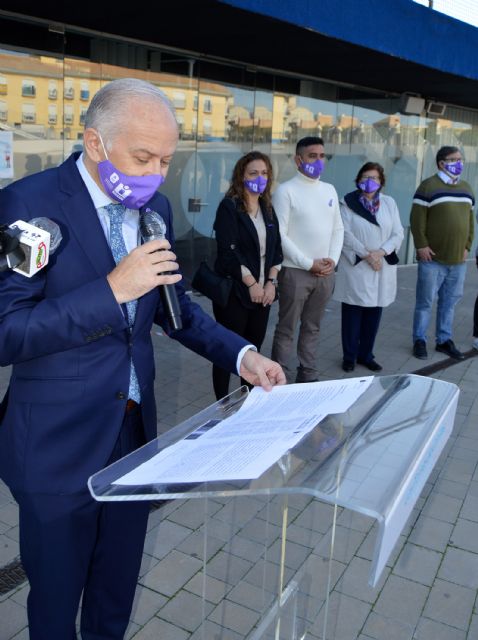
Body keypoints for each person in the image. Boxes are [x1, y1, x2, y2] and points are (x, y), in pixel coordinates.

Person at [0, 78, 285, 640]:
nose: (155, 172)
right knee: (55, 607)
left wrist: (244, 355)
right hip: (55, 448)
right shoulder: (29, 207)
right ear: (95, 142)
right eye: (143, 156)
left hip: (134, 440)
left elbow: (173, 306)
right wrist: (110, 290)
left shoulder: (153, 205)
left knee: (115, 594)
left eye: (166, 159)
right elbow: (7, 331)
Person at [271, 136, 344, 383]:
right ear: (298, 159)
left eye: (322, 156)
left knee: (313, 327)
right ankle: (280, 376)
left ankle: (308, 374)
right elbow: (279, 235)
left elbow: (338, 229)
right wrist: (307, 263)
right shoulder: (286, 190)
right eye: (313, 156)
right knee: (287, 329)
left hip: (325, 272)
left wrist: (332, 260)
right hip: (296, 272)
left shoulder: (330, 189)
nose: (319, 160)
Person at [211, 151, 283, 399]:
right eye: (253, 173)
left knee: (254, 350)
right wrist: (252, 283)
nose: (259, 178)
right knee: (227, 351)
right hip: (236, 293)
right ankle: (221, 403)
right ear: (241, 176)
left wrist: (271, 283)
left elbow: (277, 251)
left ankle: (248, 402)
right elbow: (228, 252)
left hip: (263, 294)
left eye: (264, 173)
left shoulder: (268, 208)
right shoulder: (229, 207)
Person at [333, 162, 404, 372]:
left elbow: (398, 232)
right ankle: (349, 356)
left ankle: (366, 354)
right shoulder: (347, 202)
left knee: (374, 313)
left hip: (381, 263)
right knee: (353, 313)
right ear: (358, 180)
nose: (369, 182)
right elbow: (344, 233)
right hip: (358, 264)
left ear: (381, 182)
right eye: (365, 177)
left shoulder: (389, 203)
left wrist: (381, 252)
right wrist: (367, 255)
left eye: (374, 178)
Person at [411, 145, 475, 360]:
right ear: (441, 163)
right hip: (433, 260)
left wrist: (467, 246)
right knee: (425, 303)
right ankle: (419, 340)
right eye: (454, 159)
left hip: (458, 261)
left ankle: (443, 340)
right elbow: (417, 219)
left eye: (460, 159)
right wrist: (421, 245)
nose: (459, 163)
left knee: (449, 303)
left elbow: (470, 221)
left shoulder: (466, 188)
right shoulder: (428, 186)